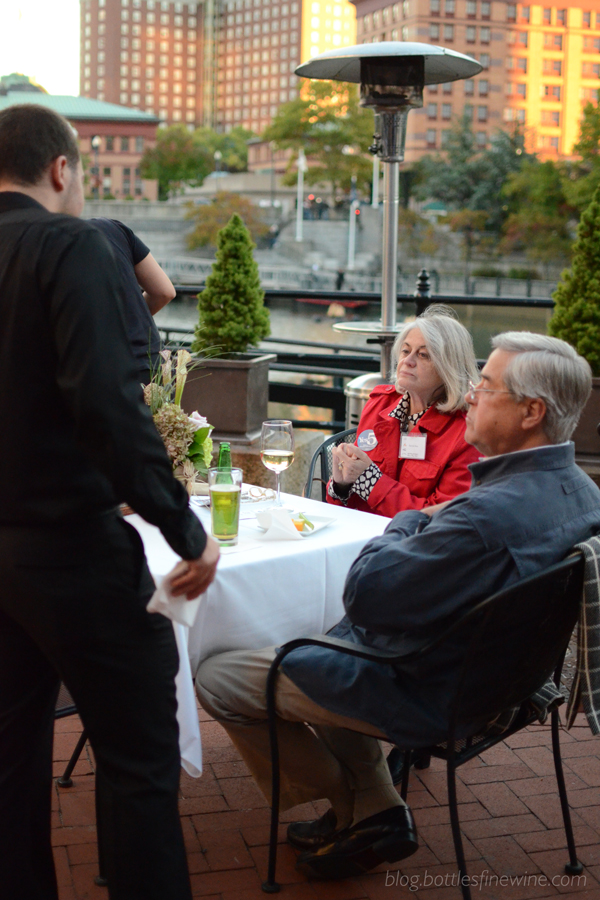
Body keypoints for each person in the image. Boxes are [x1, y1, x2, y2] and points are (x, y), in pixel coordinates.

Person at [196, 331, 600, 881]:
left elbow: (366, 596)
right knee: (325, 637)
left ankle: (362, 806)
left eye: (485, 385)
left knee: (217, 674)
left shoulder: (482, 516)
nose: (472, 395)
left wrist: (410, 521)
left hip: (423, 687)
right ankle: (372, 807)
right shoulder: (582, 493)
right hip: (503, 683)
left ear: (532, 412)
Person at [0, 104, 219, 900]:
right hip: (69, 553)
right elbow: (105, 403)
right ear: (61, 170)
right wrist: (182, 525)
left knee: (9, 762)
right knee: (137, 762)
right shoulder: (70, 243)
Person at [327, 305, 481, 518]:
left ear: (449, 368)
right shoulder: (378, 405)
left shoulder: (466, 434)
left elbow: (442, 521)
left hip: (415, 545)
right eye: (406, 351)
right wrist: (341, 485)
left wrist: (371, 482)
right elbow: (346, 506)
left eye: (423, 355)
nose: (407, 361)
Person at [90, 217, 176, 383]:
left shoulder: (57, 244)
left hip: (107, 369)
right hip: (154, 361)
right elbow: (164, 292)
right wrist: (131, 318)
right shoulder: (113, 228)